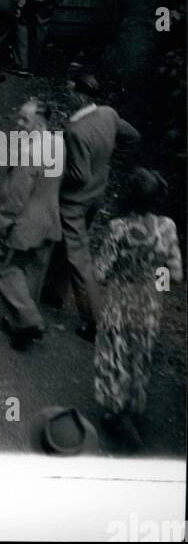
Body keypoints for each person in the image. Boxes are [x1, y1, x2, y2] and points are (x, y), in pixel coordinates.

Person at [43, 72, 141, 341]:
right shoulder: (108, 113)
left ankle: (94, 319)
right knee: (66, 245)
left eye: (69, 90)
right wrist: (107, 158)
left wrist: (55, 172)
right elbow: (133, 136)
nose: (66, 94)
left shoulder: (75, 131)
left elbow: (78, 174)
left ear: (79, 95)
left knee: (78, 257)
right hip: (97, 194)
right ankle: (53, 292)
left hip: (75, 199)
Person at [93, 168, 183, 449]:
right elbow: (175, 275)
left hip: (120, 300)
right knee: (139, 355)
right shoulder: (167, 227)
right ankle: (134, 406)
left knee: (114, 353)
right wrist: (155, 283)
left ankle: (116, 410)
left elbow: (100, 272)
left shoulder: (118, 229)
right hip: (149, 302)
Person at [0, 98, 64, 350]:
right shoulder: (58, 143)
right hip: (49, 220)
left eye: (25, 119)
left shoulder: (28, 153)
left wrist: (4, 226)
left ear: (40, 122)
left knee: (7, 270)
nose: (19, 123)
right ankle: (19, 325)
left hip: (24, 224)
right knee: (32, 273)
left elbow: (15, 198)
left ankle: (28, 319)